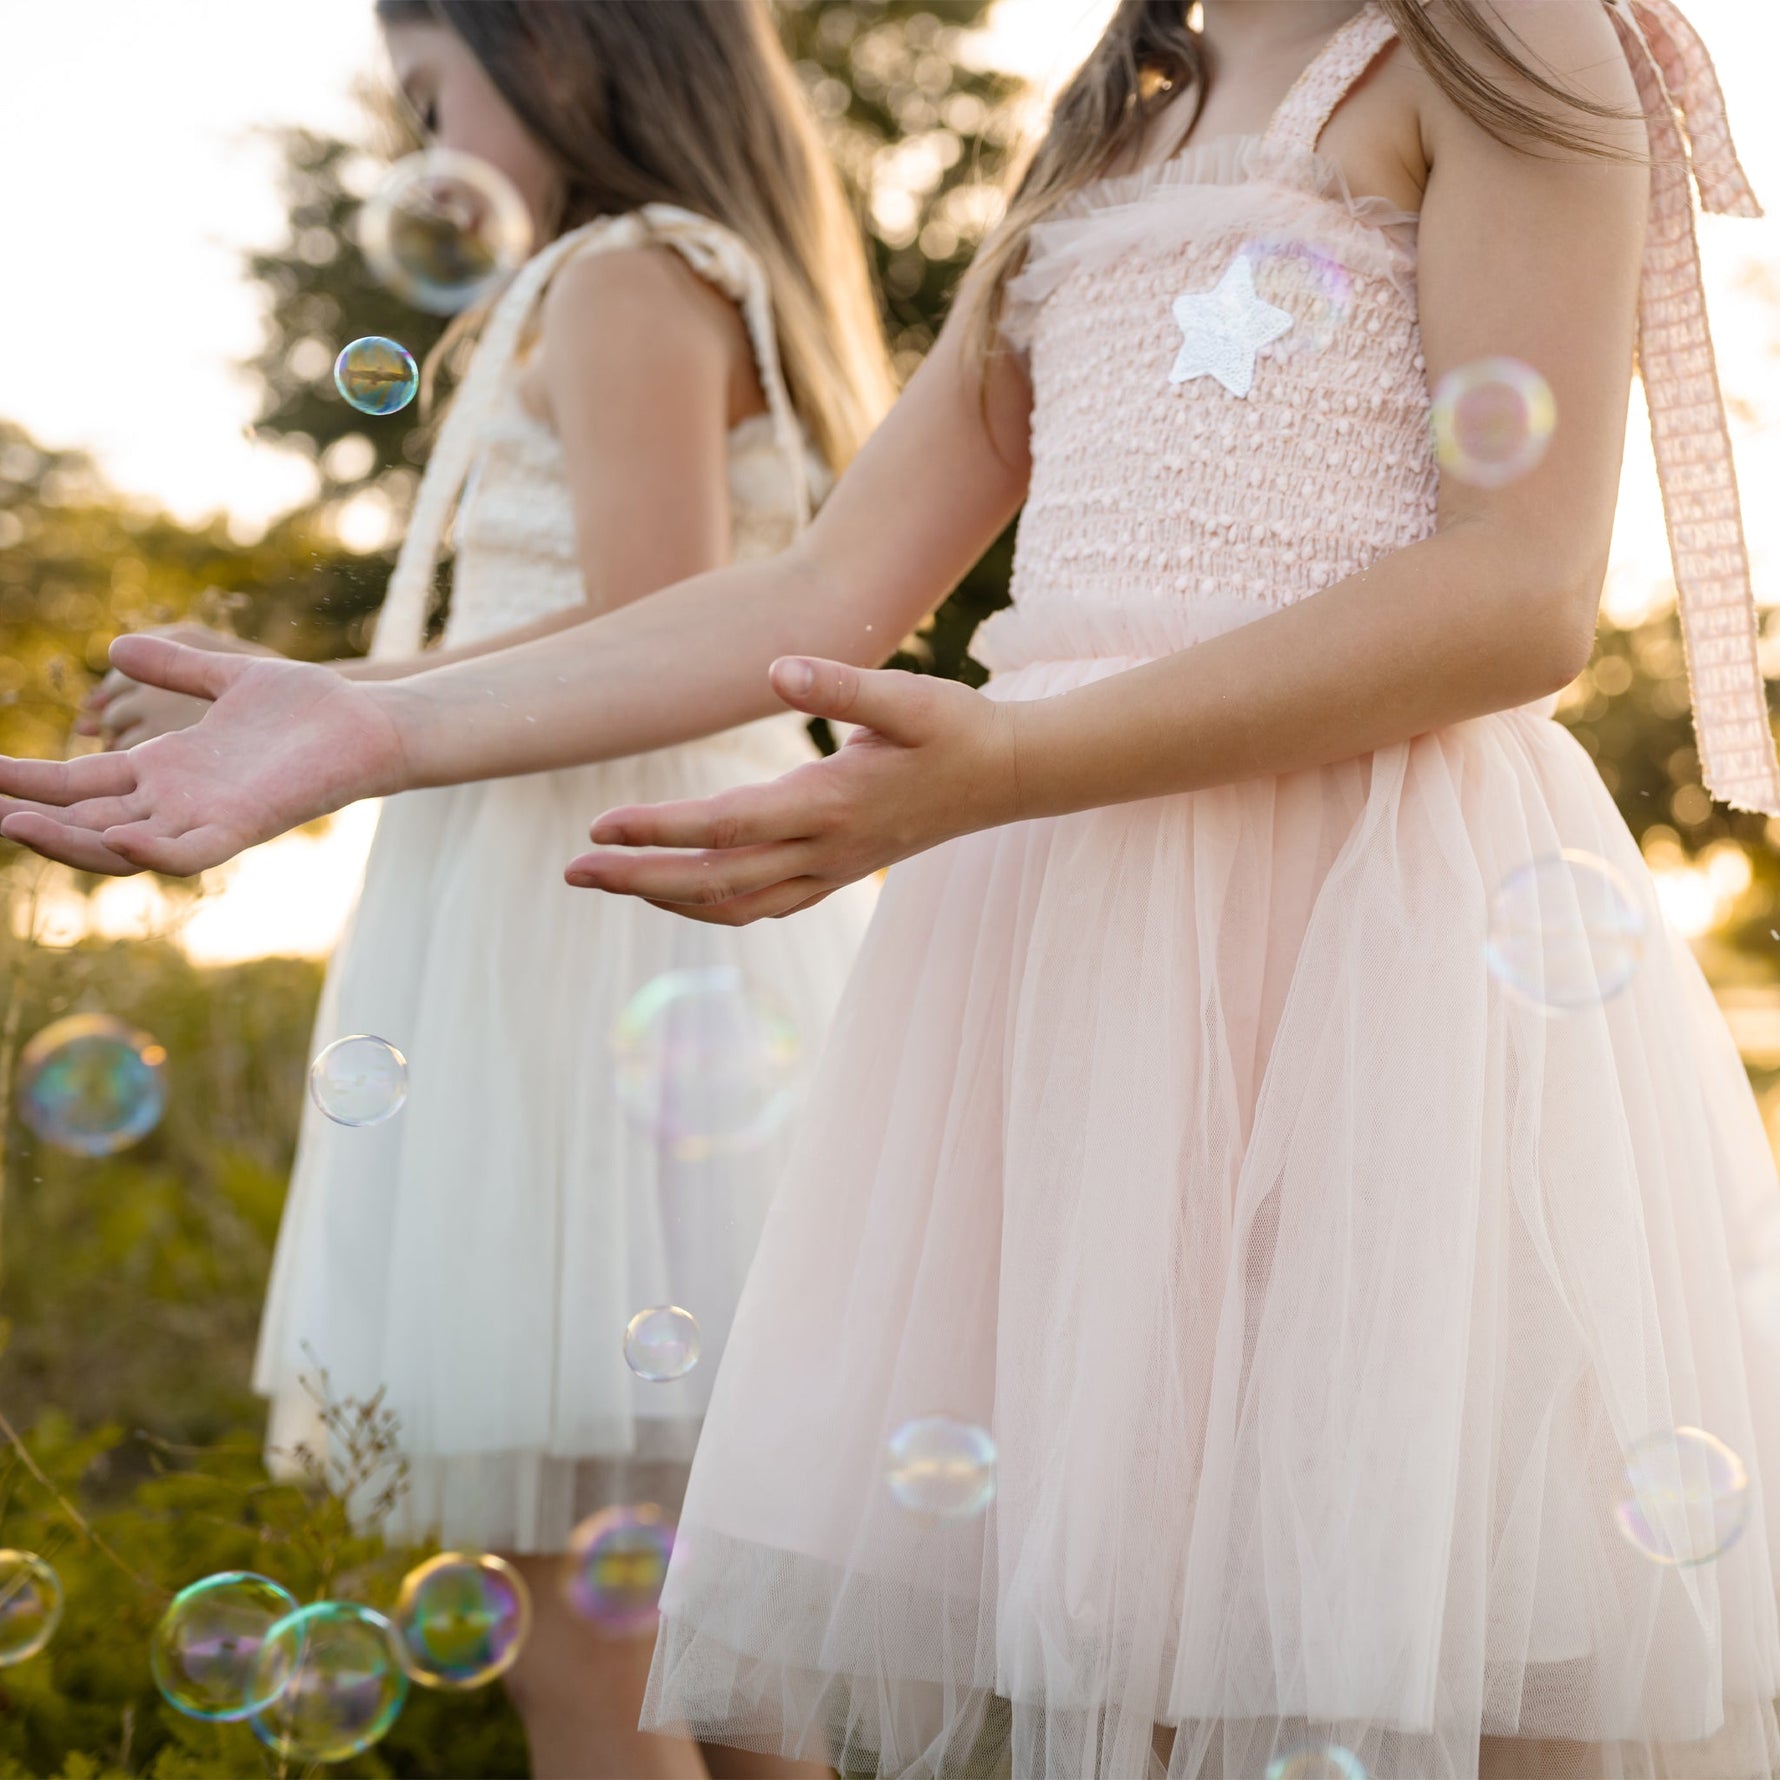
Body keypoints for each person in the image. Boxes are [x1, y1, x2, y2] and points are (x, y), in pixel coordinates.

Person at [8, 0, 1780, 1773]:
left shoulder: (1509, 41)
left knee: (1414, 1642)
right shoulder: (1109, 131)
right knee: (1146, 1676)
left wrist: (1013, 765)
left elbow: (1522, 593)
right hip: (1076, 954)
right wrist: (372, 729)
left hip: (1376, 940)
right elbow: (812, 592)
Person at [63, 5, 889, 1776]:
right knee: (701, 1635)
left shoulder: (626, 274)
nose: (412, 148)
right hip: (590, 915)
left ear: (562, 50)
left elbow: (664, 611)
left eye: (431, 95)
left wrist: (337, 709)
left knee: (597, 1620)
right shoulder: (625, 277)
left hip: (586, 937)